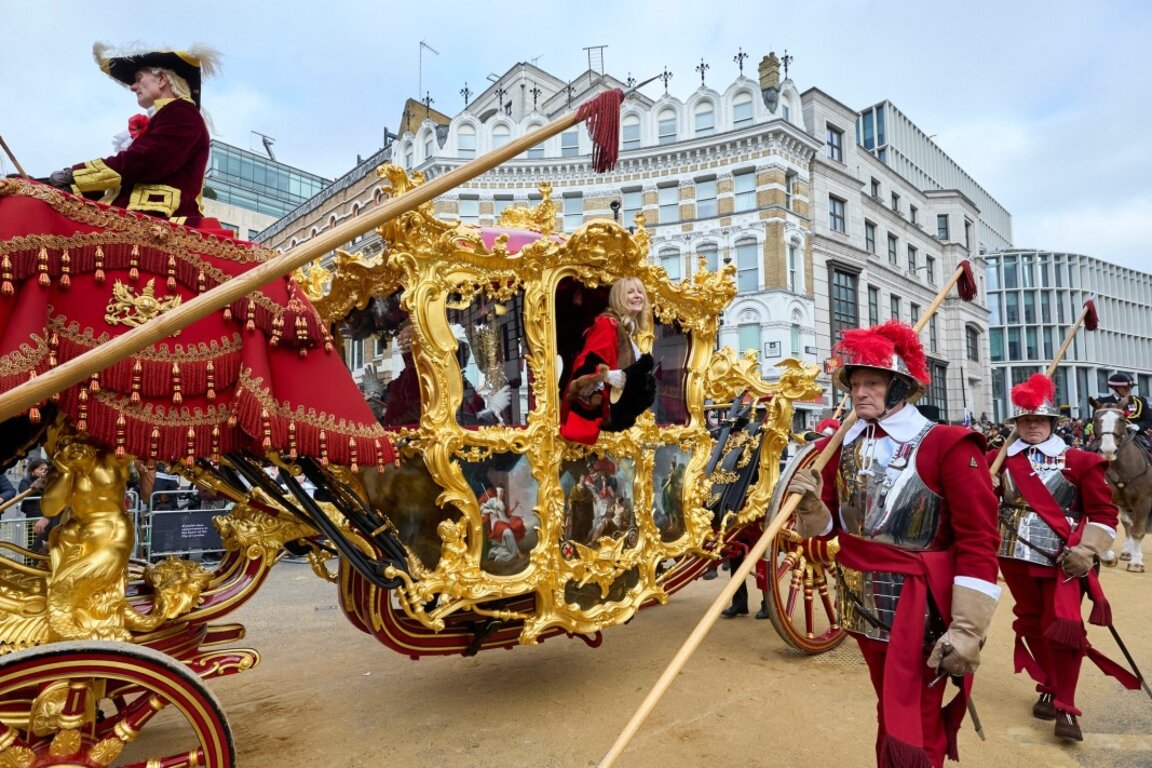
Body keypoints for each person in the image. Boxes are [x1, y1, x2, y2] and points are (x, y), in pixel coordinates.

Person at [786, 320, 1001, 768]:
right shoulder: (842, 446)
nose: (860, 393)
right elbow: (829, 530)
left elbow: (979, 539)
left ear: (899, 387)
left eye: (873, 383)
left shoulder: (948, 444)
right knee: (890, 707)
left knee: (915, 718)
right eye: (855, 385)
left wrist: (967, 628)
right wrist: (810, 508)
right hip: (860, 601)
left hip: (920, 608)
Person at [991, 374, 1137, 741]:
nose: (1033, 426)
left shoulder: (1080, 461)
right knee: (1032, 624)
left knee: (1064, 627)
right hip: (1013, 555)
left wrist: (1086, 550)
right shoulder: (999, 461)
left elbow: (1104, 514)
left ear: (1052, 422)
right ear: (1016, 424)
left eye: (1039, 420)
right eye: (1025, 420)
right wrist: (983, 484)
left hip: (1064, 559)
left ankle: (1067, 707)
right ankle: (1050, 684)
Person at [47, 43, 219, 225]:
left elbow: (145, 161)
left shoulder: (182, 112)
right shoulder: (168, 116)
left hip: (157, 224)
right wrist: (70, 187)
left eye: (138, 78)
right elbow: (126, 180)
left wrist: (74, 175)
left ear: (161, 79)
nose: (133, 87)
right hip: (136, 220)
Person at [560, 277, 657, 444]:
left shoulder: (626, 330)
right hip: (598, 419)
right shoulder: (606, 324)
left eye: (640, 292)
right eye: (630, 292)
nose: (637, 296)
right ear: (618, 298)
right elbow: (586, 364)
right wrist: (606, 375)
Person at [1095, 372, 1152, 453]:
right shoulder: (1102, 402)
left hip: (1135, 434)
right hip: (1108, 435)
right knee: (1090, 450)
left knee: (1149, 448)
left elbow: (1148, 420)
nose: (1129, 389)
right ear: (1116, 388)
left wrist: (1138, 426)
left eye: (1131, 387)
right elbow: (1096, 421)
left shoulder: (1140, 401)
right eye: (1126, 387)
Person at [21, 458, 52, 551]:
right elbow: (23, 492)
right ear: (32, 471)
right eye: (41, 469)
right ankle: (30, 558)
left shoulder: (50, 480)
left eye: (45, 469)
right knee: (33, 541)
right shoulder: (26, 480)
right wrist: (40, 482)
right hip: (33, 515)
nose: (44, 471)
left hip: (47, 514)